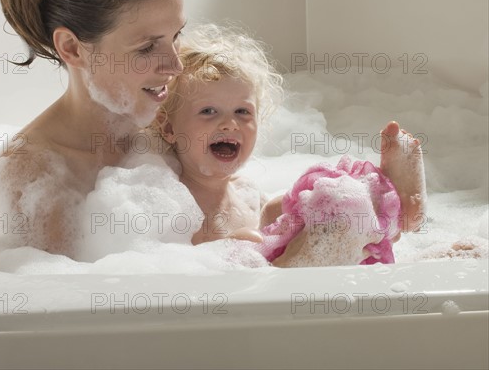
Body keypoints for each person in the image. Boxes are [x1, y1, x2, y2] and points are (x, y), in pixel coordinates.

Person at [0, 0, 186, 257]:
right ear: (71, 48)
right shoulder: (34, 173)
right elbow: (60, 300)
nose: (176, 65)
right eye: (146, 47)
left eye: (177, 36)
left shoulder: (178, 120)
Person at [154, 24, 427, 267]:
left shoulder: (245, 192)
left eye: (242, 112)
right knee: (326, 227)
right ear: (168, 128)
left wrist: (305, 200)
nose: (229, 124)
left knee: (319, 197)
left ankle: (385, 198)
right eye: (209, 112)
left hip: (280, 271)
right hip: (254, 290)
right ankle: (372, 215)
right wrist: (234, 248)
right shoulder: (175, 203)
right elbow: (185, 268)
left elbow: (273, 218)